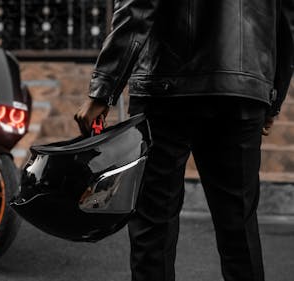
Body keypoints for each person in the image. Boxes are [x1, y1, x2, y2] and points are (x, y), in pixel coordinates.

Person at [75, 1, 294, 280]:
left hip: (165, 85)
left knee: (154, 227)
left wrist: (102, 89)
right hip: (242, 89)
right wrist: (272, 94)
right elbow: (283, 20)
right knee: (239, 227)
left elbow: (137, 6)